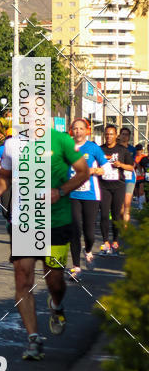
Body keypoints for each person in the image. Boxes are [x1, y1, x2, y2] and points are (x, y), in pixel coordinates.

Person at [0, 128, 89, 361]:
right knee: (23, 278)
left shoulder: (61, 140)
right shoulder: (13, 144)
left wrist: (62, 190)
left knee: (54, 280)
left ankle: (56, 305)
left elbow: (83, 172)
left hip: (55, 221)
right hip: (24, 220)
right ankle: (34, 339)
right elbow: (5, 174)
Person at [68, 118, 107, 278]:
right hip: (71, 194)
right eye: (75, 128)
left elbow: (106, 169)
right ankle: (76, 267)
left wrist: (93, 171)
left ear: (87, 130)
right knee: (75, 230)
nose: (78, 131)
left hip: (91, 195)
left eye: (81, 128)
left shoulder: (93, 148)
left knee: (89, 233)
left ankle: (89, 250)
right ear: (71, 131)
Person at [99, 125, 135, 255]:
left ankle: (115, 241)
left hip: (118, 186)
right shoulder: (100, 149)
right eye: (107, 134)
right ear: (104, 135)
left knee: (115, 215)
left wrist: (120, 165)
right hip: (103, 186)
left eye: (111, 134)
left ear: (116, 136)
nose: (109, 136)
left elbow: (131, 167)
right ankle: (105, 242)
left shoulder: (122, 150)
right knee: (103, 215)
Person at [118, 127, 137, 224]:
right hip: (118, 178)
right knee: (120, 207)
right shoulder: (115, 148)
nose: (125, 136)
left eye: (127, 135)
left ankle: (125, 228)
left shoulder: (132, 149)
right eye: (123, 134)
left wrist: (122, 165)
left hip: (130, 178)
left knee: (127, 205)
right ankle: (122, 225)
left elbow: (132, 165)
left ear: (129, 137)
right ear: (120, 135)